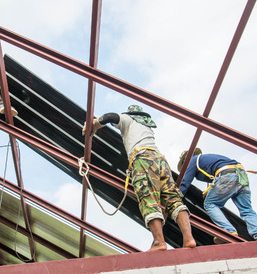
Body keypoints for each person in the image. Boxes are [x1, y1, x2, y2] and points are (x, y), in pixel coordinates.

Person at [83, 105, 196, 251]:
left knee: (148, 198)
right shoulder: (146, 126)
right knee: (173, 199)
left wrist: (96, 124)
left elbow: (111, 116)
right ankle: (189, 238)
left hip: (143, 160)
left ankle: (159, 242)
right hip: (160, 160)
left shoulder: (128, 119)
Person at [178, 148, 257, 243]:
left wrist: (176, 197)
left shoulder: (193, 160)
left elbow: (185, 182)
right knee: (246, 209)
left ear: (185, 161)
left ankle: (228, 231)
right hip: (241, 174)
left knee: (210, 204)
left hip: (227, 175)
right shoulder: (208, 160)